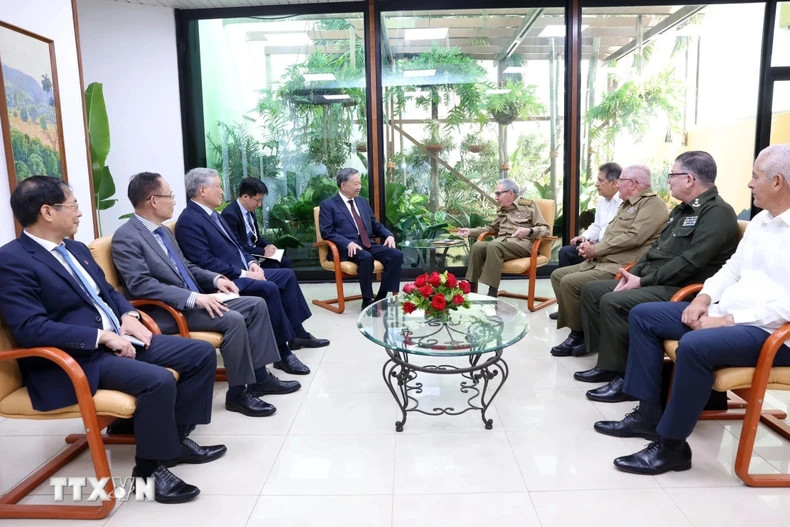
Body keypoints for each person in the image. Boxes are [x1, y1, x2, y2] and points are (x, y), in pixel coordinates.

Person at [0, 176, 225, 504]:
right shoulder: (13, 261)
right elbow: (31, 328)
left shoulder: (76, 248)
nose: (79, 213)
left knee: (200, 354)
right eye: (74, 205)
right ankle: (149, 471)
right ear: (47, 212)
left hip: (118, 340)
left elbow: (107, 292)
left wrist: (127, 317)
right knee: (158, 381)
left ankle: (174, 440)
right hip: (75, 359)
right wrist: (100, 336)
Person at [594, 144, 790, 475]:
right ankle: (648, 415)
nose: (749, 184)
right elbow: (732, 267)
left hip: (771, 332)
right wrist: (702, 299)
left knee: (696, 346)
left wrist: (727, 320)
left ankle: (671, 448)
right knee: (645, 316)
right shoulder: (761, 222)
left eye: (755, 176)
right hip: (726, 314)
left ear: (777, 182)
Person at [112, 172, 301, 418]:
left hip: (195, 299)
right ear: (153, 200)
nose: (174, 201)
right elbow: (141, 285)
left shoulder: (164, 232)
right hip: (167, 311)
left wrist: (215, 278)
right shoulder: (126, 237)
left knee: (256, 305)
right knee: (233, 320)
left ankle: (260, 377)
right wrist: (194, 298)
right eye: (170, 196)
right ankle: (238, 392)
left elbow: (187, 266)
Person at [574, 151, 739, 402]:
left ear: (690, 179)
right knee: (594, 290)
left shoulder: (717, 213)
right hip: (658, 278)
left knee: (613, 300)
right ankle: (610, 363)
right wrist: (632, 274)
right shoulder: (681, 211)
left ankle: (624, 376)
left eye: (673, 174)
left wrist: (643, 281)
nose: (668, 180)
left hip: (685, 288)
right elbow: (655, 250)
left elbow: (690, 262)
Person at [175, 168, 329, 376]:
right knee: (268, 288)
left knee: (286, 275)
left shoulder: (214, 216)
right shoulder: (189, 220)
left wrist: (251, 263)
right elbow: (204, 262)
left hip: (240, 271)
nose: (222, 191)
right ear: (202, 190)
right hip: (224, 281)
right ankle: (282, 353)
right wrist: (245, 274)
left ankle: (296, 333)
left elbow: (238, 247)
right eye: (218, 186)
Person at [549, 165, 667, 356]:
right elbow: (608, 232)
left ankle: (580, 335)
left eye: (621, 181)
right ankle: (581, 329)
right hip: (604, 259)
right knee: (557, 275)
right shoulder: (627, 203)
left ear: (634, 183)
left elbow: (633, 237)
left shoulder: (652, 205)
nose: (617, 184)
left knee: (570, 282)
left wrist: (596, 249)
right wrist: (591, 247)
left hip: (622, 265)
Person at [318, 167, 404, 309]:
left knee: (396, 254)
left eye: (360, 183)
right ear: (344, 185)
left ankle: (382, 296)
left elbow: (375, 225)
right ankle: (367, 299)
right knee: (365, 257)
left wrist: (388, 234)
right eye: (356, 184)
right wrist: (347, 243)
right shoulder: (328, 205)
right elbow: (327, 232)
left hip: (367, 243)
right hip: (346, 249)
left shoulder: (362, 202)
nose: (359, 187)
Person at [550, 162, 623, 320]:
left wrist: (596, 247)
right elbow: (597, 226)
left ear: (615, 183)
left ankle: (575, 303)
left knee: (570, 263)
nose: (596, 184)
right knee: (566, 252)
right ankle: (565, 306)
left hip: (609, 252)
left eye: (600, 180)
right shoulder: (602, 202)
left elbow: (622, 238)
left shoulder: (625, 204)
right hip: (597, 246)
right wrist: (584, 237)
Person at [457, 178, 550, 297]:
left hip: (521, 245)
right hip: (501, 245)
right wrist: (470, 231)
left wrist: (529, 231)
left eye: (498, 193)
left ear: (510, 193)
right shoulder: (502, 210)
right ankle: (471, 288)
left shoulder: (528, 206)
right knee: (477, 246)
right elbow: (490, 229)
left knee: (494, 246)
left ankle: (491, 293)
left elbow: (545, 229)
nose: (496, 197)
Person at [221, 177, 291, 268]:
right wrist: (263, 252)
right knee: (277, 268)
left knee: (284, 261)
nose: (259, 204)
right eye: (258, 200)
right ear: (245, 197)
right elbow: (237, 246)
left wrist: (269, 246)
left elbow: (257, 238)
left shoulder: (250, 210)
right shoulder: (230, 215)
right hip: (245, 261)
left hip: (256, 256)